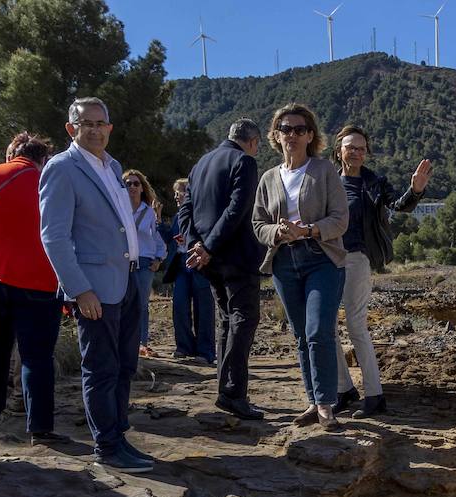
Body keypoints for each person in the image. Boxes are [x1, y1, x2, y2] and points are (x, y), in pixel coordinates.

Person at [39, 97, 155, 472]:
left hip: (127, 280)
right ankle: (106, 447)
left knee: (124, 365)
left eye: (100, 122)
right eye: (84, 123)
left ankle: (119, 435)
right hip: (94, 288)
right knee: (101, 368)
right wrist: (79, 289)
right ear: (71, 129)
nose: (94, 129)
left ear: (109, 127)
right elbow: (53, 237)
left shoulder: (113, 166)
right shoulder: (61, 168)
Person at [0, 131, 66, 443]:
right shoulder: (52, 183)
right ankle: (40, 428)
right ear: (42, 159)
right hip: (40, 281)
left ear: (10, 155)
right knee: (36, 355)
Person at [251, 104, 348, 430]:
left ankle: (325, 406)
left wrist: (307, 230)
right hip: (284, 262)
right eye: (285, 129)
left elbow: (340, 219)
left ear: (310, 135)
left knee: (319, 331)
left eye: (299, 129)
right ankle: (312, 400)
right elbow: (257, 223)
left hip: (321, 257)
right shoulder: (268, 178)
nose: (291, 134)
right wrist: (275, 232)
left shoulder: (324, 171)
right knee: (301, 335)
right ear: (276, 136)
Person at [330, 126, 431, 418]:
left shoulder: (375, 182)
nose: (357, 152)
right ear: (339, 151)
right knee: (327, 327)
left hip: (357, 259)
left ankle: (374, 396)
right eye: (351, 147)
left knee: (355, 326)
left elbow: (400, 206)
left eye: (362, 148)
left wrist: (416, 189)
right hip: (326, 259)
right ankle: (343, 389)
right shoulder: (329, 181)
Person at [179, 118, 265, 419]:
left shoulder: (201, 163)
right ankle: (232, 393)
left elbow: (185, 208)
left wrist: (196, 245)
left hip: (208, 258)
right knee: (244, 318)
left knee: (227, 320)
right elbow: (237, 209)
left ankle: (225, 389)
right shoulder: (245, 162)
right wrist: (209, 246)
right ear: (253, 142)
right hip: (235, 255)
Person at [164, 178, 216, 365]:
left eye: (182, 191)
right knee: (179, 305)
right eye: (176, 192)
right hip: (181, 265)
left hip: (201, 266)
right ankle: (184, 347)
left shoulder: (204, 213)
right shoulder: (178, 217)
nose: (177, 196)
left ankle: (205, 351)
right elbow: (171, 238)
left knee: (204, 308)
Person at [122, 169, 166, 357]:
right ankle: (123, 342)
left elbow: (157, 238)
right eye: (128, 183)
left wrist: (158, 259)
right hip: (121, 262)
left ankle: (141, 343)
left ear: (142, 188)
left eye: (136, 183)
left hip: (144, 262)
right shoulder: (117, 209)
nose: (132, 186)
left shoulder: (148, 213)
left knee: (141, 304)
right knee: (120, 302)